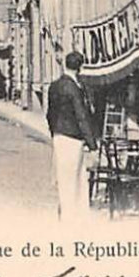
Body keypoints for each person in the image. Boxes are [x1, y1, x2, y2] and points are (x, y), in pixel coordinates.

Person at [46, 51, 98, 220]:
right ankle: (72, 215)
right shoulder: (75, 89)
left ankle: (66, 213)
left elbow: (50, 114)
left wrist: (54, 132)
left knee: (63, 176)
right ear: (79, 68)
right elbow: (81, 116)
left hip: (59, 136)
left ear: (65, 65)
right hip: (73, 138)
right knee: (76, 177)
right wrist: (92, 144)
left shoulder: (54, 86)